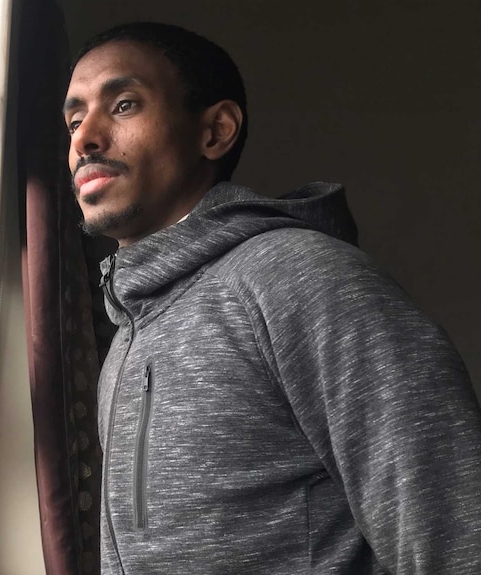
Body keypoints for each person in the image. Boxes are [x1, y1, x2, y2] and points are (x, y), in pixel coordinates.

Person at [63, 22, 481, 574]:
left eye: (122, 106)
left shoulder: (300, 278)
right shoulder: (133, 331)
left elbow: (458, 532)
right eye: (74, 119)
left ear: (215, 131)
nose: (84, 139)